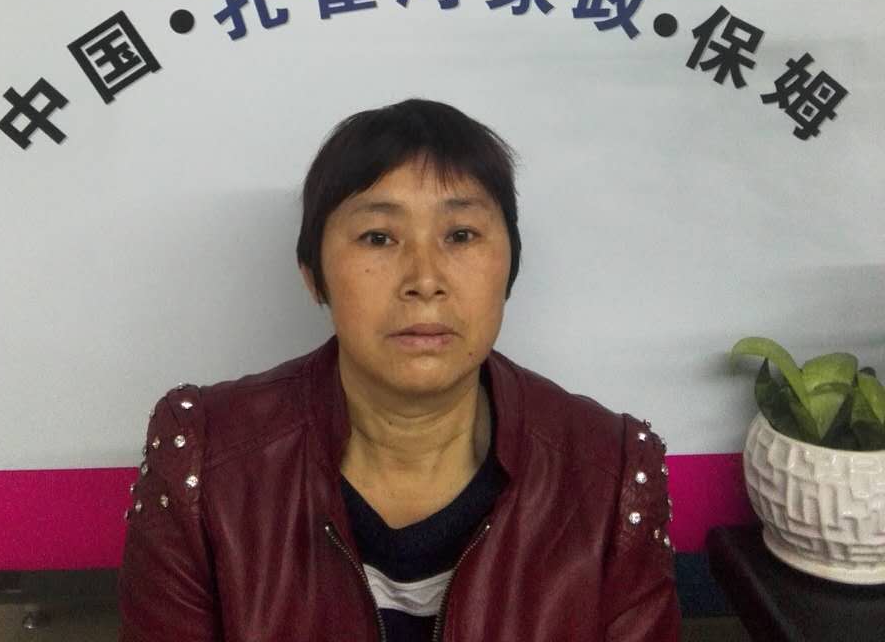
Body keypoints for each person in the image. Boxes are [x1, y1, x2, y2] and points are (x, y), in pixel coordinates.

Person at [119, 98, 682, 641]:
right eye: (378, 237)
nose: (424, 279)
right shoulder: (205, 461)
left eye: (461, 235)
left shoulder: (606, 472)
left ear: (510, 265)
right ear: (313, 274)